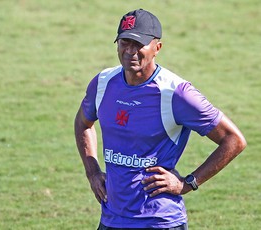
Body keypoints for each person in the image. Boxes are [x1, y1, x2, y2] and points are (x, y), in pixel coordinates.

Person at [74, 9, 246, 230]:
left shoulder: (176, 93)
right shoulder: (103, 83)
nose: (130, 51)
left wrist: (188, 183)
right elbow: (83, 123)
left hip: (160, 221)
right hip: (111, 220)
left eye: (138, 44)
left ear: (157, 48)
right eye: (124, 42)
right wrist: (92, 171)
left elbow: (233, 139)